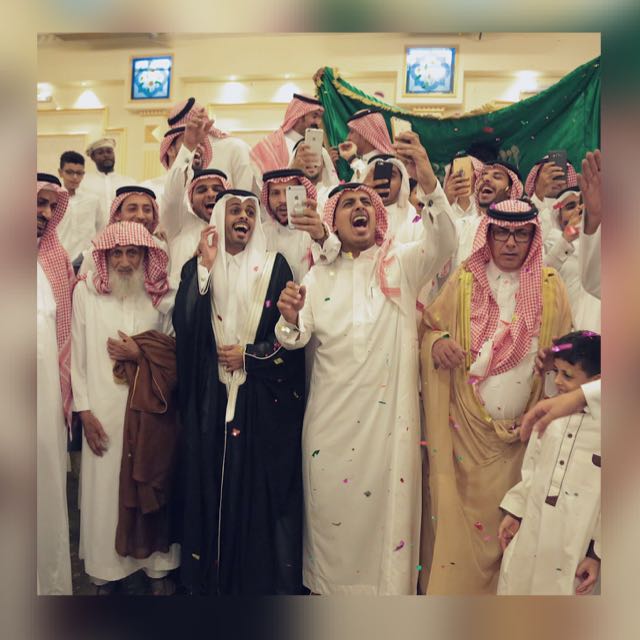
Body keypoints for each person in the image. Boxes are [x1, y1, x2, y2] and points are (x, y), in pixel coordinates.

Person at [274, 133, 457, 595]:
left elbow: (444, 240)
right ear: (331, 221)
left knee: (386, 528)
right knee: (330, 520)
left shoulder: (401, 266)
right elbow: (295, 339)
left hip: (387, 428)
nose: (359, 208)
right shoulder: (316, 275)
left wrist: (428, 179)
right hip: (329, 427)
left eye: (365, 202)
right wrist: (289, 318)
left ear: (377, 217)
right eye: (347, 204)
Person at [419, 198, 572, 595]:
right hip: (464, 439)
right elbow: (428, 328)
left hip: (524, 441)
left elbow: (569, 359)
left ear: (533, 238)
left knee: (516, 534)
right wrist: (438, 342)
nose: (510, 243)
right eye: (502, 232)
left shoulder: (551, 286)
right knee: (459, 536)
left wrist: (555, 361)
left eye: (521, 234)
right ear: (487, 234)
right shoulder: (464, 281)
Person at [172, 190, 306, 595]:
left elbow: (289, 335)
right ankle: (207, 581)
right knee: (208, 481)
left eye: (250, 211)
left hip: (259, 401)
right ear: (219, 218)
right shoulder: (199, 265)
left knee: (253, 489)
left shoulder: (275, 266)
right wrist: (205, 269)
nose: (243, 217)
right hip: (211, 398)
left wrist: (250, 356)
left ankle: (249, 582)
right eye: (234, 211)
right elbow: (185, 326)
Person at [71, 221, 179, 595]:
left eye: (132, 252)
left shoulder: (160, 295)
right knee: (104, 493)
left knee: (151, 481)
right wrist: (84, 412)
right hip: (103, 413)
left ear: (146, 256)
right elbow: (78, 355)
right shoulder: (86, 293)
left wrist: (140, 352)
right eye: (116, 253)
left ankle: (156, 568)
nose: (124, 261)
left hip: (150, 414)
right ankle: (105, 573)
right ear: (104, 257)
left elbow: (173, 352)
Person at [497, 331, 601, 595]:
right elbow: (531, 470)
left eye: (568, 375)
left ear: (596, 383)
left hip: (574, 545)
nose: (557, 381)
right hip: (532, 531)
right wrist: (516, 511)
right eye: (556, 372)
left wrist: (597, 553)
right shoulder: (550, 416)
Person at [37, 173, 74, 595]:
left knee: (44, 492)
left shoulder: (55, 260)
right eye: (38, 202)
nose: (45, 213)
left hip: (44, 404)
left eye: (51, 205)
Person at [156, 97, 254, 194]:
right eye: (187, 138)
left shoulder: (236, 147)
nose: (193, 143)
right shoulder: (158, 185)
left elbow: (246, 197)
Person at [260, 168, 339, 282]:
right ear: (267, 198)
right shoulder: (261, 233)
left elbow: (334, 258)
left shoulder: (317, 226)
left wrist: (321, 237)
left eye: (289, 192)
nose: (282, 200)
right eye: (275, 193)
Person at [543, 187, 600, 332]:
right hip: (564, 330)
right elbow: (541, 276)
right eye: (570, 207)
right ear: (558, 215)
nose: (577, 211)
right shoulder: (549, 241)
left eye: (582, 206)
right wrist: (568, 236)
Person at [78, 185, 166, 276]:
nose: (141, 216)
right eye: (132, 209)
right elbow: (84, 283)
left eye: (147, 210)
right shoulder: (98, 250)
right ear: (117, 214)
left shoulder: (162, 248)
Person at [452, 161, 524, 270]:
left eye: (497, 177)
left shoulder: (522, 228)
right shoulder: (461, 225)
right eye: (483, 175)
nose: (486, 179)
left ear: (510, 190)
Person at [250, 93, 325, 177]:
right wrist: (294, 169)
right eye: (314, 117)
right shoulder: (270, 145)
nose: (318, 122)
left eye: (320, 118)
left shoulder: (316, 145)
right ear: (300, 116)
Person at [55, 151, 101, 268]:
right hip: (57, 259)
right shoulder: (53, 200)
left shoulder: (93, 200)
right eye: (69, 172)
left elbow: (100, 229)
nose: (75, 177)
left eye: (79, 173)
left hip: (85, 260)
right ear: (60, 172)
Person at [80, 138, 135, 231]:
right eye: (100, 153)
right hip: (93, 235)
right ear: (93, 157)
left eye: (109, 152)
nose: (106, 155)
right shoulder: (84, 182)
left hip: (124, 234)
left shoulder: (129, 182)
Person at [338, 109, 395, 181]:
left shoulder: (383, 162)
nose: (348, 138)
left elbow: (366, 183)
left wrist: (352, 159)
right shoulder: (363, 161)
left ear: (365, 134)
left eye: (352, 132)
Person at [290, 138, 339, 210]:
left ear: (324, 160)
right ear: (295, 163)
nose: (310, 161)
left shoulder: (336, 194)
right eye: (304, 157)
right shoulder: (287, 197)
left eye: (315, 155)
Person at [442, 152, 484, 219]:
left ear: (476, 174)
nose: (461, 175)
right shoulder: (446, 205)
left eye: (466, 171)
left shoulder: (484, 205)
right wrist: (445, 201)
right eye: (456, 172)